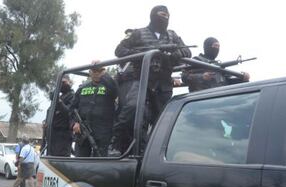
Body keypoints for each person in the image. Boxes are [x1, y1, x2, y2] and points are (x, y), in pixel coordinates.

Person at [112, 5, 191, 153]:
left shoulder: (172, 35)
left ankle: (152, 152)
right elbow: (119, 50)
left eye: (167, 15)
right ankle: (116, 142)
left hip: (163, 83)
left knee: (162, 120)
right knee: (132, 108)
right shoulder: (138, 33)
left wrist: (177, 54)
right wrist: (141, 54)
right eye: (162, 14)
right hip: (142, 79)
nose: (165, 17)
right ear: (153, 15)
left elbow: (187, 51)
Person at [70, 60, 118, 157]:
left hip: (103, 132)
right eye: (94, 71)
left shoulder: (109, 86)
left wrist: (105, 75)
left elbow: (115, 91)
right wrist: (74, 123)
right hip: (82, 131)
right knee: (80, 161)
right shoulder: (82, 88)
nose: (96, 73)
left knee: (100, 161)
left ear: (104, 71)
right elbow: (72, 108)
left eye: (99, 71)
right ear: (90, 72)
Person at [181, 37, 250, 92]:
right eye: (215, 46)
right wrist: (202, 77)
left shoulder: (218, 65)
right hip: (200, 99)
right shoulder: (196, 61)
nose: (217, 48)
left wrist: (243, 79)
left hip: (217, 99)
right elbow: (184, 77)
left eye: (218, 46)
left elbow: (228, 81)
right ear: (207, 46)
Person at [47, 75, 75, 156]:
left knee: (62, 157)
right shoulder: (60, 96)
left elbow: (68, 112)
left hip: (63, 133)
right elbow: (50, 111)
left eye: (64, 82)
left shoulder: (72, 96)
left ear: (69, 82)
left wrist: (58, 101)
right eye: (60, 83)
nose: (62, 85)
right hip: (53, 133)